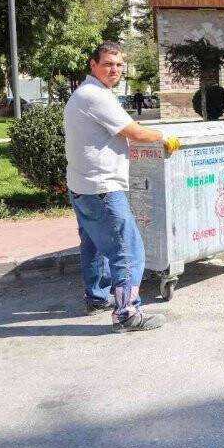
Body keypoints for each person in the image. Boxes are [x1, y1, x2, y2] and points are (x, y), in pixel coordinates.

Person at [64, 42, 179, 333]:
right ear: (93, 65)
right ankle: (127, 313)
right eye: (107, 64)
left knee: (94, 244)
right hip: (102, 187)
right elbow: (135, 132)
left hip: (82, 186)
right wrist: (163, 136)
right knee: (128, 250)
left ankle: (96, 297)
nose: (114, 69)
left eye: (118, 64)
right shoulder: (96, 96)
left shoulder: (83, 94)